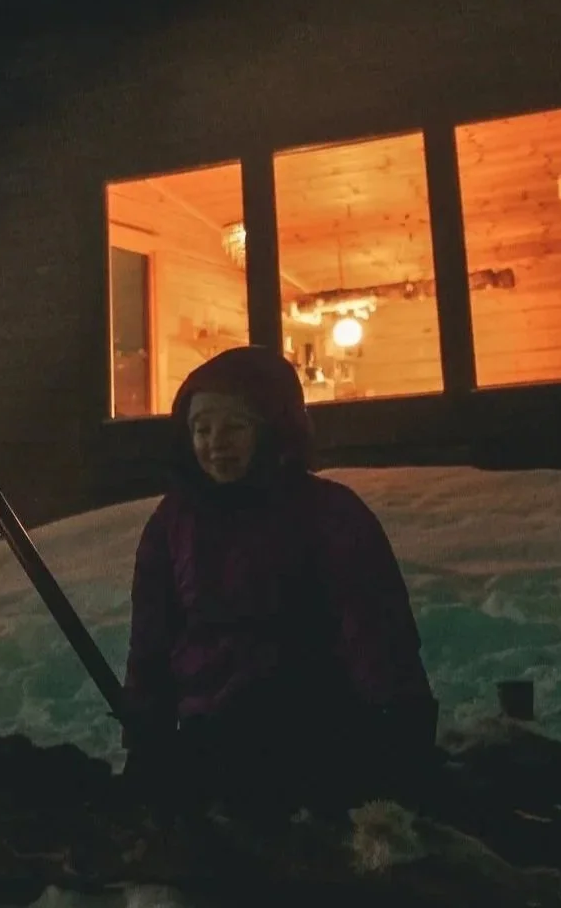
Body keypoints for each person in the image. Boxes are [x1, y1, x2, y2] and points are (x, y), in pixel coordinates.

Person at [121, 345, 437, 818]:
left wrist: (400, 729)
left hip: (314, 727)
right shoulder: (173, 523)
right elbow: (153, 638)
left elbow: (372, 628)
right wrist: (147, 733)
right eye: (201, 429)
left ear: (272, 430)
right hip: (209, 731)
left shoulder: (328, 514)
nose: (215, 443)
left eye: (234, 427)